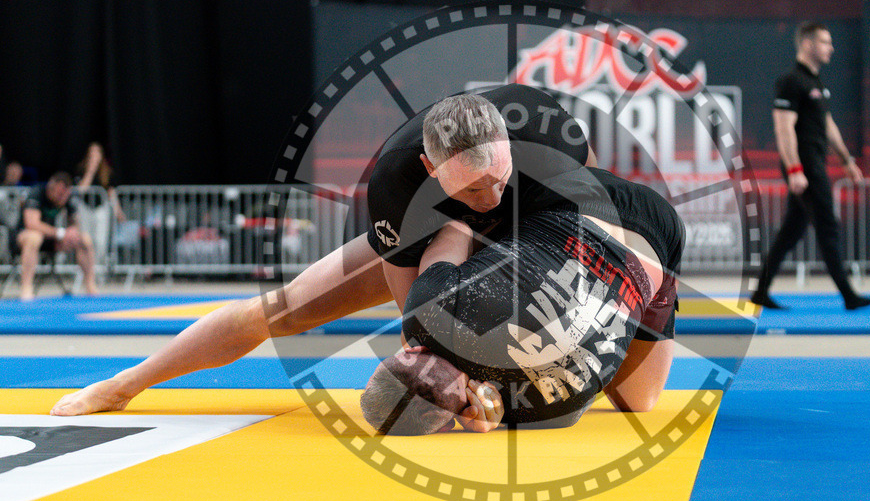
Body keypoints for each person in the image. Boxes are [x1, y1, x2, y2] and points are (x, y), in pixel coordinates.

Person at [51, 84, 597, 416]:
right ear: (432, 169)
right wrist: (442, 376)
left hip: (533, 231)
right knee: (283, 309)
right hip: (432, 238)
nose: (489, 197)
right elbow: (419, 318)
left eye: (498, 179)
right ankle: (122, 385)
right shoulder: (398, 181)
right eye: (471, 188)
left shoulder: (555, 138)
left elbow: (604, 222)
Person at [360, 166, 684, 435]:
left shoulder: (546, 416)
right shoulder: (430, 309)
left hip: (660, 243)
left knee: (639, 400)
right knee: (465, 225)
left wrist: (486, 411)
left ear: (449, 420)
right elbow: (456, 228)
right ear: (410, 350)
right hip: (585, 198)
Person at [751, 22, 870, 311]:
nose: (830, 47)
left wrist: (846, 161)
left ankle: (759, 292)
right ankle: (849, 296)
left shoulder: (816, 83)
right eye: (824, 42)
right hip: (804, 167)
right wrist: (795, 170)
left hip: (814, 163)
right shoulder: (790, 81)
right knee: (827, 226)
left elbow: (828, 125)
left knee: (791, 231)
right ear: (807, 44)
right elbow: (783, 129)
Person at [13, 171, 99, 301]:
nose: (61, 198)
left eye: (64, 195)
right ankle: (26, 287)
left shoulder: (67, 197)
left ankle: (90, 285)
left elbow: (75, 224)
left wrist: (71, 233)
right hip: (24, 237)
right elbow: (31, 223)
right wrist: (61, 233)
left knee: (84, 239)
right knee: (34, 237)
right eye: (59, 194)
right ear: (51, 188)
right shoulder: (37, 192)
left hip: (52, 239)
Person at [75, 142, 127, 223]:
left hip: (101, 208)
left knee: (101, 233)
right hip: (85, 207)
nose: (94, 155)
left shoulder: (107, 172)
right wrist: (91, 170)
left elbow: (111, 192)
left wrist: (118, 211)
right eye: (92, 151)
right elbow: (81, 190)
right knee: (85, 233)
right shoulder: (81, 169)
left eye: (97, 152)